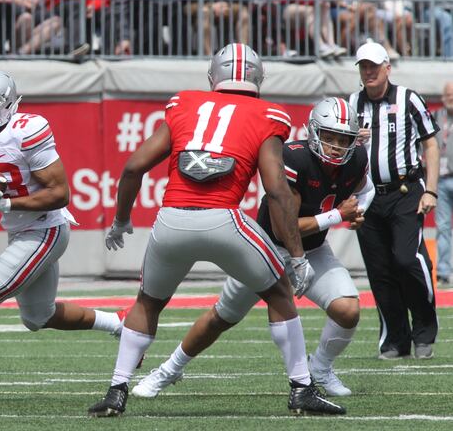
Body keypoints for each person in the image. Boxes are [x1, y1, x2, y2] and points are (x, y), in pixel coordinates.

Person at [87, 43, 345, 418]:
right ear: (259, 77)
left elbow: (132, 168)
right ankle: (302, 389)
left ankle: (116, 390)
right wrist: (298, 256)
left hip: (172, 218)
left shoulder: (184, 104)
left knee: (148, 303)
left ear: (213, 76)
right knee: (278, 292)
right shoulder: (268, 114)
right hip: (224, 218)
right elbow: (275, 190)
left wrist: (121, 219)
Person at [132, 97, 373, 399]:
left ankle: (320, 368)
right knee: (221, 318)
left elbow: (366, 189)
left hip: (312, 249)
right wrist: (340, 215)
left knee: (348, 310)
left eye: (343, 139)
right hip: (266, 250)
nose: (336, 146)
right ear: (313, 133)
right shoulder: (295, 158)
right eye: (329, 137)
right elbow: (286, 228)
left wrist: (360, 210)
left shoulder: (357, 159)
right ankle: (168, 370)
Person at [0, 68, 127, 403]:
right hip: (22, 231)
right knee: (39, 317)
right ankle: (121, 326)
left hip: (45, 228)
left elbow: (60, 193)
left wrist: (6, 203)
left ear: (5, 105)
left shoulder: (27, 130)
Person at [349, 42, 440, 360]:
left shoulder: (408, 99)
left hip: (404, 191)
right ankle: (395, 340)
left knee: (406, 259)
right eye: (363, 66)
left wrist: (430, 190)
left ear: (388, 67)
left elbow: (430, 144)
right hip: (368, 195)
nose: (369, 71)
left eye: (374, 65)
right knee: (380, 270)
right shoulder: (353, 103)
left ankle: (425, 330)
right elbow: (345, 152)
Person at [433, 82, 453, 287]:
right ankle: (444, 272)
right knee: (443, 226)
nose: (450, 98)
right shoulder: (437, 117)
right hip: (441, 178)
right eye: (447, 94)